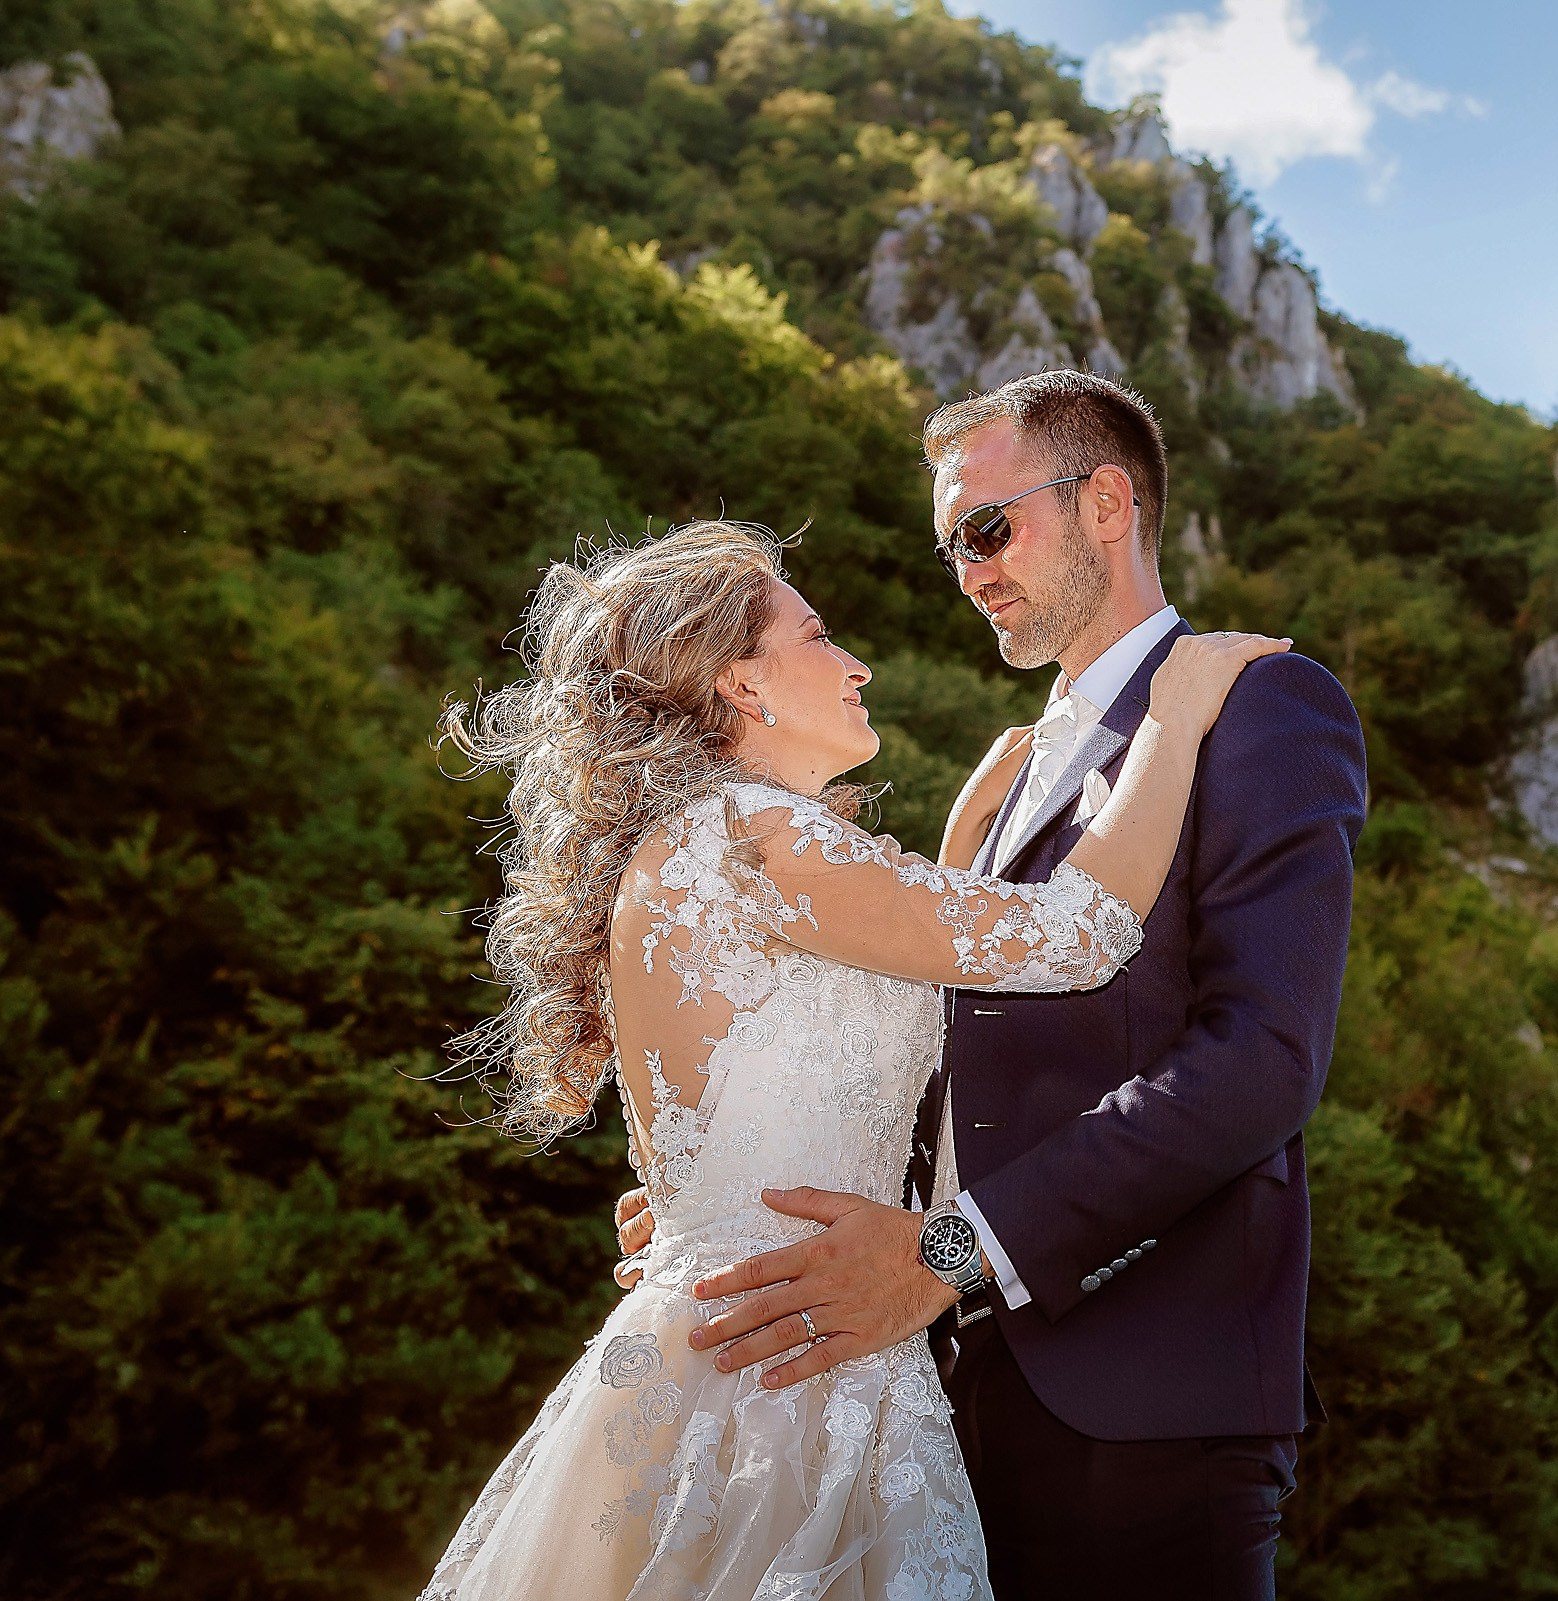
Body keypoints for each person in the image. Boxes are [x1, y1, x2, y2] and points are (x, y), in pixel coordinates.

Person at [418, 515, 1289, 1600]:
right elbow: (1080, 934)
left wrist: (961, 852)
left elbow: (829, 1064)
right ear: (742, 683)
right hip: (795, 1375)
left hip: (739, 1337)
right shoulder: (757, 837)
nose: (856, 662)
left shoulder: (697, 844)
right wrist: (1174, 716)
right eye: (818, 634)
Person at [615, 370, 1370, 1598]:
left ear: (1106, 503)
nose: (966, 572)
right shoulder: (1006, 776)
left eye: (985, 527)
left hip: (1141, 1393)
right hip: (920, 1387)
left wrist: (953, 1251)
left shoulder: (1256, 706)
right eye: (950, 547)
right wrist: (732, 1192)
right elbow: (948, 1066)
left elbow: (1258, 1063)